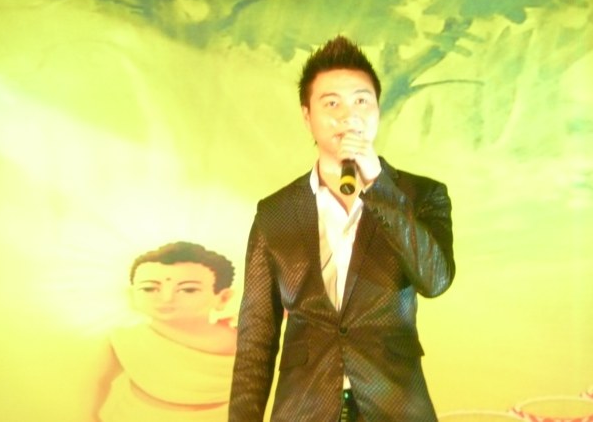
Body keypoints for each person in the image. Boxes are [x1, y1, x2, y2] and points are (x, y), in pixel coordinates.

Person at [228, 36, 455, 422]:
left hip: (395, 405)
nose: (349, 116)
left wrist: (379, 187)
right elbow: (256, 338)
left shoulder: (421, 195)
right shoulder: (275, 212)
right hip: (304, 407)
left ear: (378, 109)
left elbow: (435, 280)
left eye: (362, 101)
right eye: (332, 103)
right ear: (307, 117)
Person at [95, 241, 237, 422]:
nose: (167, 298)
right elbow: (96, 383)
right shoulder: (124, 340)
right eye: (149, 288)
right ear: (132, 295)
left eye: (188, 290)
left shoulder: (238, 339)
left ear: (223, 298)